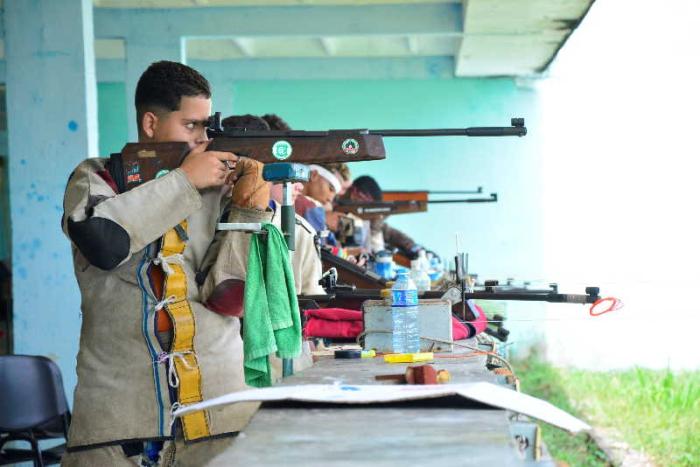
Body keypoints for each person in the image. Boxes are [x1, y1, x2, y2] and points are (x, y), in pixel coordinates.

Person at [61, 61, 259, 466]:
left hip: (217, 411)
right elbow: (103, 244)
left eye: (207, 128)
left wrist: (249, 212)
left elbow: (228, 299)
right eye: (192, 126)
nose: (203, 139)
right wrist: (185, 181)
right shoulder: (99, 177)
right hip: (117, 421)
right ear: (150, 124)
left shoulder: (215, 190)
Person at [341, 175, 424, 259]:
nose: (370, 209)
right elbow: (351, 250)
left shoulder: (365, 218)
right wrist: (376, 222)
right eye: (368, 205)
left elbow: (389, 232)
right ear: (355, 192)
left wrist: (411, 246)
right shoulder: (344, 217)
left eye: (372, 207)